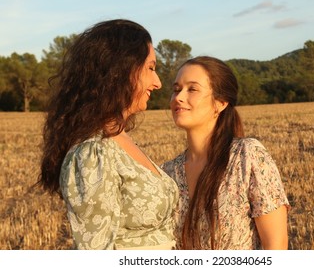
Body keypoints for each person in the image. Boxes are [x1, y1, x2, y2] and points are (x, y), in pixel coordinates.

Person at [38, 19, 178, 250]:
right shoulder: (93, 153)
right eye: (151, 68)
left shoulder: (120, 139)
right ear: (120, 71)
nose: (158, 83)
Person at [161, 56, 290, 250]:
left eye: (192, 89)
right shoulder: (168, 173)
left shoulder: (247, 156)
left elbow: (276, 246)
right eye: (176, 89)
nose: (178, 97)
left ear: (220, 103)